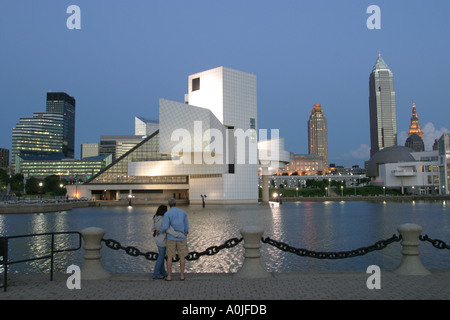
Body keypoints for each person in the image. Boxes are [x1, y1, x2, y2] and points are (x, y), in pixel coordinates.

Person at [158, 198, 189, 281]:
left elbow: (165, 226)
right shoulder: (183, 212)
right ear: (176, 204)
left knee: (169, 257)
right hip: (181, 237)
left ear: (169, 204)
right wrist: (186, 232)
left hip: (171, 238)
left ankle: (169, 276)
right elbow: (186, 224)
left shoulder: (167, 214)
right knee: (182, 257)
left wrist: (159, 231)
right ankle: (182, 276)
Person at [151, 204, 184, 279]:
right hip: (163, 240)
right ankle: (156, 273)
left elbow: (152, 229)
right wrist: (181, 235)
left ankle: (163, 272)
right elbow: (170, 231)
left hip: (157, 240)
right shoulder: (164, 219)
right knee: (161, 257)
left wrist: (157, 230)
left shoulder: (155, 218)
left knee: (161, 256)